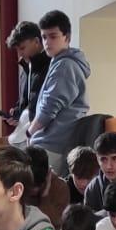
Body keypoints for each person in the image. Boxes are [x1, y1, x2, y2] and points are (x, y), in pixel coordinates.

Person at [10, 10, 89, 166]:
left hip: (52, 143)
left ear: (67, 37)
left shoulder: (65, 65)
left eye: (53, 36)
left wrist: (29, 132)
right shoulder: (59, 63)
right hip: (49, 141)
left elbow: (49, 106)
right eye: (44, 37)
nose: (47, 42)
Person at [0, 20, 52, 137]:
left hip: (49, 135)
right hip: (32, 135)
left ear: (37, 41)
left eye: (22, 48)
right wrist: (16, 115)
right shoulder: (25, 70)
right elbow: (26, 103)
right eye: (17, 50)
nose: (19, 54)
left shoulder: (53, 67)